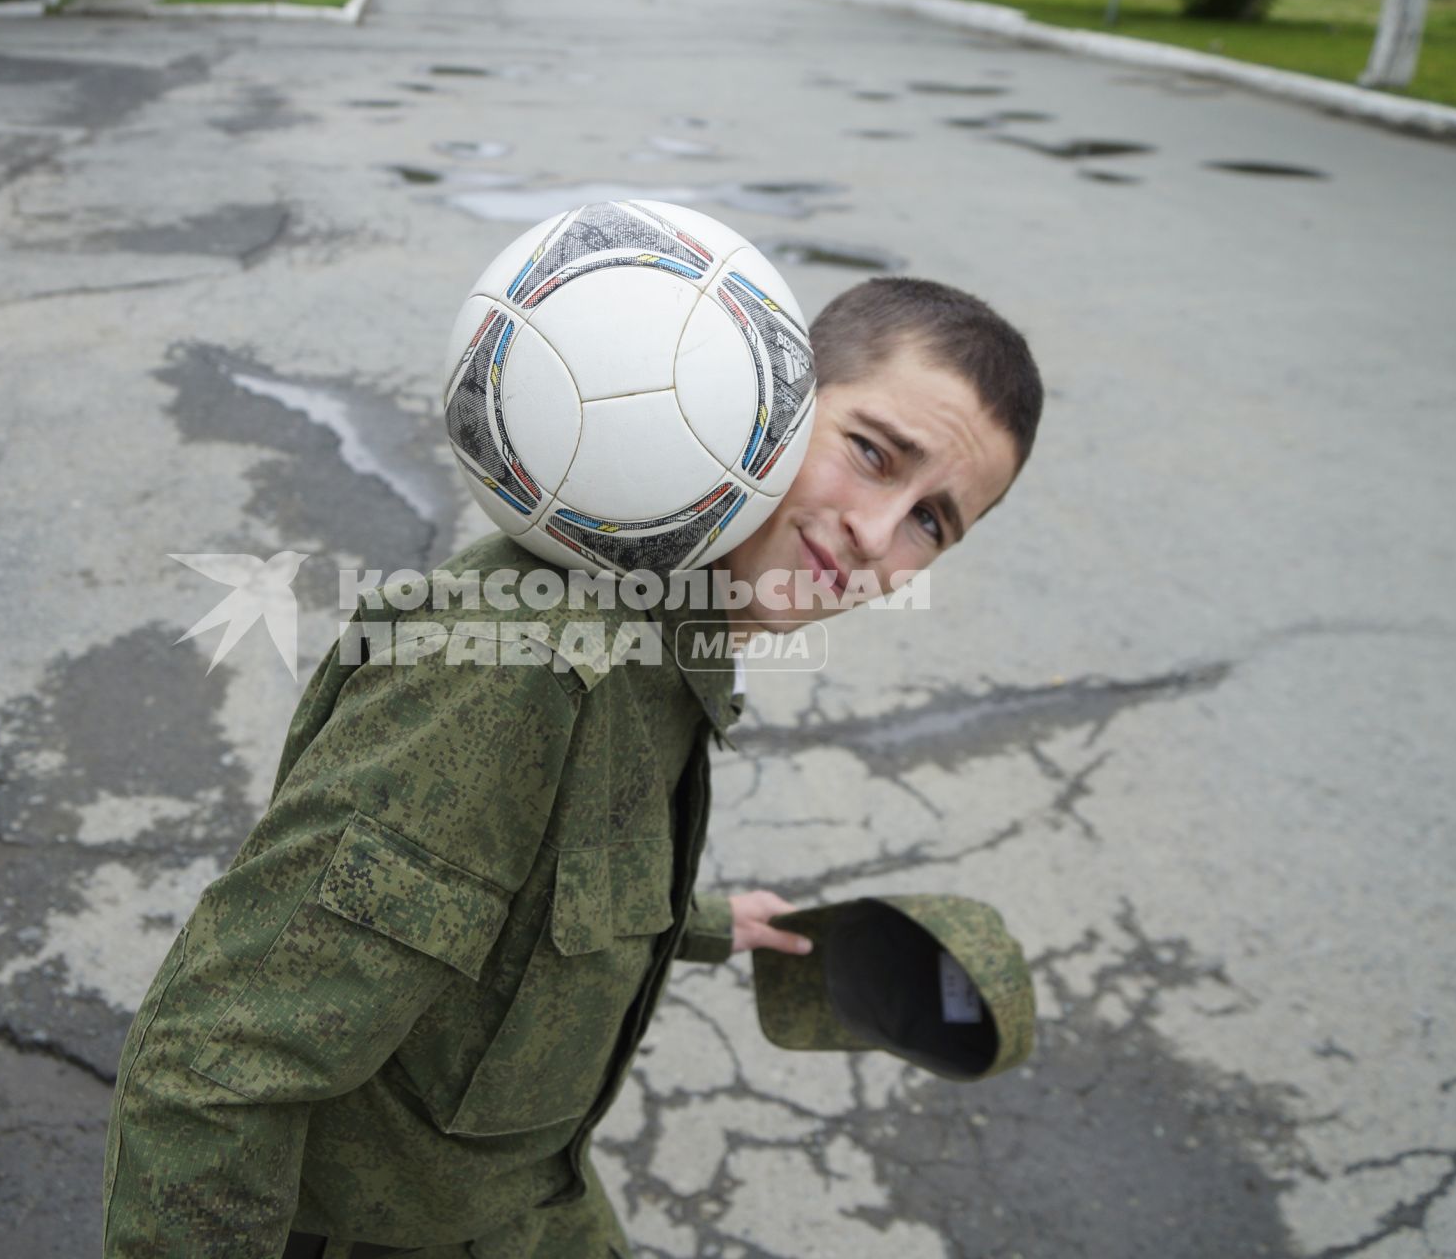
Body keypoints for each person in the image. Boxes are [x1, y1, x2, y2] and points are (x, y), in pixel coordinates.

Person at [102, 276, 1044, 1258]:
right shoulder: (521, 671)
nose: (875, 533)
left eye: (932, 521)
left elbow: (537, 880)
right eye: (870, 452)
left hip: (518, 1189)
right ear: (771, 405)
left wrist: (712, 921)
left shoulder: (672, 633)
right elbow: (215, 1063)